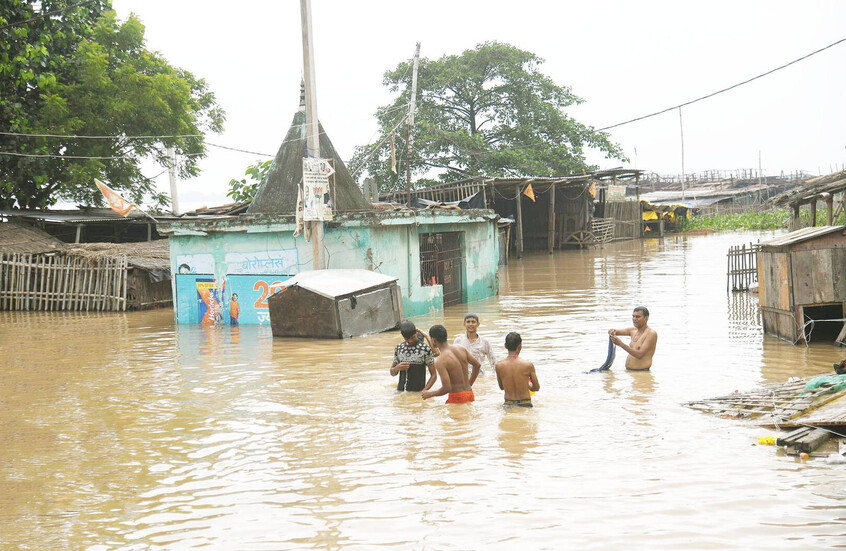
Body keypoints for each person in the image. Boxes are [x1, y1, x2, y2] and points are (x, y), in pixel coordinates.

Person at [422, 324, 481, 403]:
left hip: (456, 397)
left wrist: (430, 394)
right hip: (470, 393)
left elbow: (447, 388)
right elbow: (477, 365)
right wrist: (469, 384)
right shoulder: (461, 348)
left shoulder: (440, 361)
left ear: (433, 340)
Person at [495, 332, 540, 408]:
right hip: (525, 404)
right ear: (520, 346)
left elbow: (502, 387)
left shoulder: (499, 366)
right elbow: (536, 388)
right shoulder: (528, 365)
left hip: (508, 404)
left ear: (505, 346)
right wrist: (528, 385)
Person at [390, 320, 437, 392]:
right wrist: (397, 368)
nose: (410, 341)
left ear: (416, 332)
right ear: (403, 336)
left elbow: (434, 375)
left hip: (417, 393)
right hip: (400, 393)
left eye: (412, 337)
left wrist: (423, 391)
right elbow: (392, 372)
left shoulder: (425, 349)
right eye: (407, 339)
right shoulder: (399, 348)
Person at [609, 306, 658, 370]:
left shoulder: (651, 334)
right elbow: (614, 331)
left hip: (642, 374)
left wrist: (621, 344)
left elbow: (639, 355)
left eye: (638, 317)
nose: (634, 319)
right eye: (633, 316)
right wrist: (612, 331)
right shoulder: (632, 330)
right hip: (629, 373)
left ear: (646, 318)